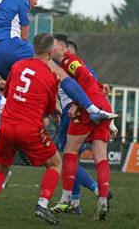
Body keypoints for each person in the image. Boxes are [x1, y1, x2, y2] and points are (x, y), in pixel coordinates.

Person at [0, 0, 115, 124]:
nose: (35, 3)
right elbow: (24, 35)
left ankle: (31, 120)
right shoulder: (21, 0)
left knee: (22, 87)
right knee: (57, 71)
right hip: (12, 46)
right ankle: (92, 109)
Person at [0, 34, 73, 225]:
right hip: (29, 128)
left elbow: (9, 92)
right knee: (55, 164)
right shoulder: (50, 76)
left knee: (1, 169)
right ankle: (42, 205)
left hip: (6, 125)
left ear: (33, 48)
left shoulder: (18, 66)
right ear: (51, 52)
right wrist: (53, 111)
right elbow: (48, 108)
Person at [50, 34, 115, 221]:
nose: (50, 50)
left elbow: (83, 80)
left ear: (63, 49)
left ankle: (67, 199)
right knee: (100, 157)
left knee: (70, 152)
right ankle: (102, 200)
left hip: (87, 109)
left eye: (53, 47)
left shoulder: (68, 60)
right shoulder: (67, 64)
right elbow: (98, 87)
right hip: (101, 105)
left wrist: (78, 104)